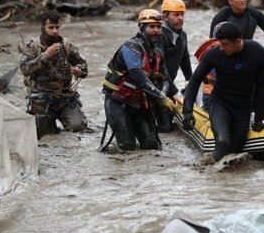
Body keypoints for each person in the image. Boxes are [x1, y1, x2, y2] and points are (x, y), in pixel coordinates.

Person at [182, 23, 264, 162]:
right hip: (220, 103)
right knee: (223, 141)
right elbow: (194, 81)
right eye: (220, 44)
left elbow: (262, 87)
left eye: (225, 44)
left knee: (236, 148)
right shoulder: (214, 54)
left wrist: (259, 118)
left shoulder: (259, 53)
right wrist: (187, 112)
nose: (221, 48)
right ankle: (206, 171)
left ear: (238, 41)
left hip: (243, 107)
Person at [102, 9, 175, 151]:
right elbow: (136, 75)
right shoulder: (131, 47)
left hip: (140, 104)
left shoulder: (157, 53)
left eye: (159, 27)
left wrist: (163, 95)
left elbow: (165, 79)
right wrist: (160, 95)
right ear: (142, 28)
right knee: (127, 147)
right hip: (118, 103)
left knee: (152, 146)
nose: (156, 30)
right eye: (151, 27)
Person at [20, 10, 89, 138]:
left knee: (79, 128)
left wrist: (79, 70)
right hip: (41, 99)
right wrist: (45, 55)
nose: (55, 31)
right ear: (43, 28)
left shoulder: (66, 45)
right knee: (43, 136)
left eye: (57, 27)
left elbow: (84, 68)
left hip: (65, 98)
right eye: (50, 27)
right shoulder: (33, 46)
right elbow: (25, 69)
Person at [157, 0, 192, 132]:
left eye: (182, 14)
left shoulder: (182, 35)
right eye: (176, 15)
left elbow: (185, 59)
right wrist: (176, 92)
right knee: (165, 128)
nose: (180, 18)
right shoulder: (159, 35)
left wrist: (190, 81)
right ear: (165, 16)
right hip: (156, 85)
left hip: (169, 84)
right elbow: (161, 67)